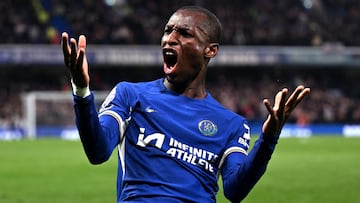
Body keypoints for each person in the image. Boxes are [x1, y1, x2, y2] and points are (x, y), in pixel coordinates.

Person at [61, 5, 310, 203]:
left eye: (185, 33)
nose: (170, 38)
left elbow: (235, 191)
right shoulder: (131, 95)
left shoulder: (232, 125)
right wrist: (81, 90)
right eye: (168, 30)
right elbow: (98, 151)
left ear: (210, 50)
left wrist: (268, 139)